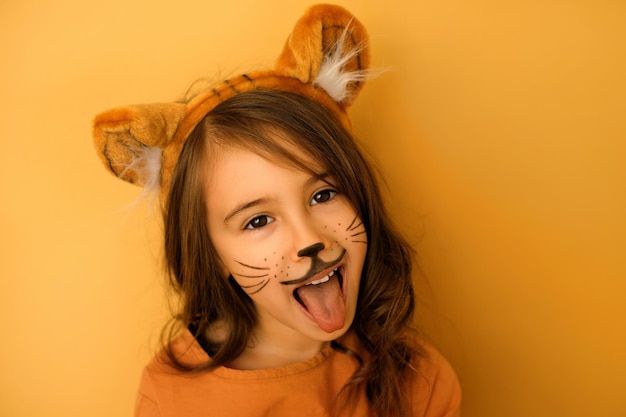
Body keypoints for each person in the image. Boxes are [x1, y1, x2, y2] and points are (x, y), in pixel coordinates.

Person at [92, 4, 461, 417]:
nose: (310, 241)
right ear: (212, 256)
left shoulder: (418, 380)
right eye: (258, 220)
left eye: (323, 195)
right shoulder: (173, 398)